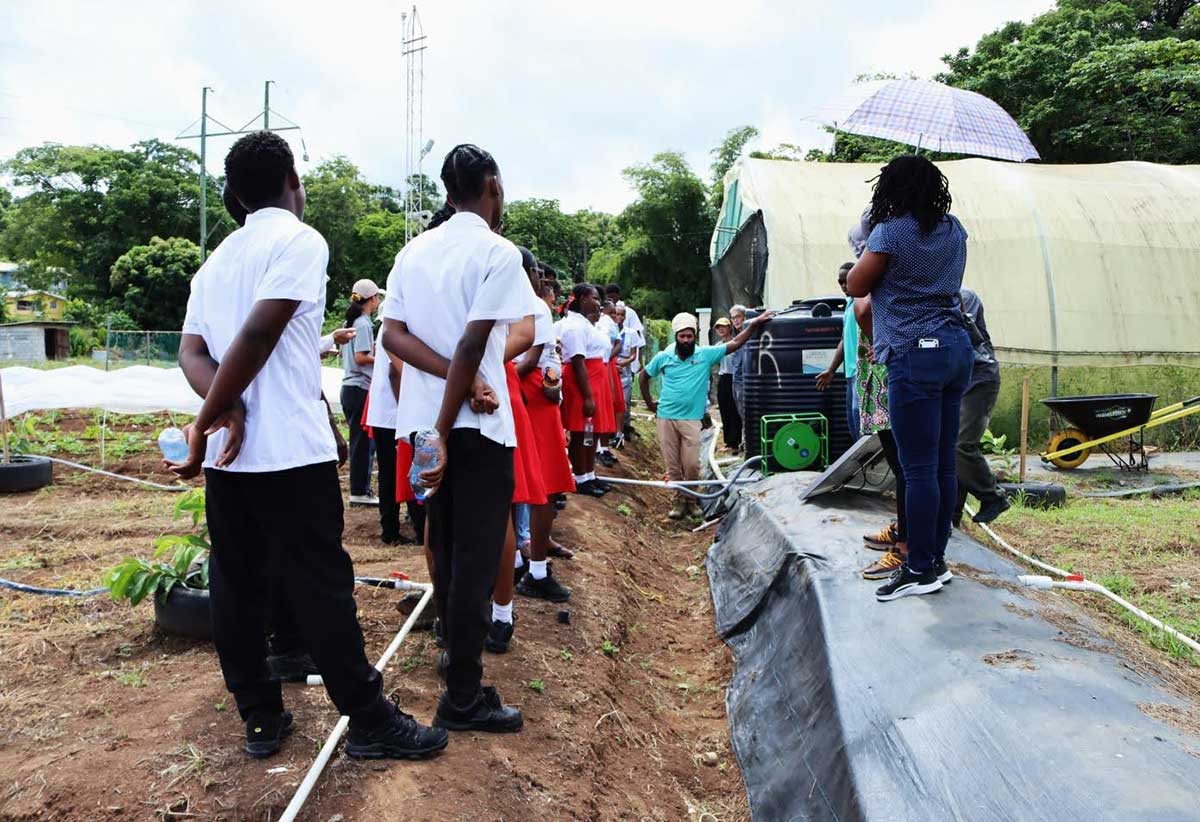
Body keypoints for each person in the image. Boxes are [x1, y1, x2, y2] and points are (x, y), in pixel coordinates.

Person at [170, 131, 445, 760]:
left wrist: (218, 411)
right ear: (292, 182)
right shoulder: (299, 239)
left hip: (230, 459)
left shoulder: (214, 263)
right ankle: (369, 720)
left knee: (237, 584)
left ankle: (261, 716)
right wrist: (218, 412)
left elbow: (192, 351)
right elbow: (261, 333)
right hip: (290, 452)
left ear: (236, 194)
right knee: (321, 583)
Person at [380, 143, 526, 733]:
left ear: (447, 190)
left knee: (441, 544)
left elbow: (393, 336)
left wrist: (438, 416)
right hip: (476, 432)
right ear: (491, 185)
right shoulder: (497, 252)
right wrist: (455, 409)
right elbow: (472, 346)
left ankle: (451, 654)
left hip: (423, 426)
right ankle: (462, 696)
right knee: (473, 557)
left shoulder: (412, 253)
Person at [846, 155, 974, 602]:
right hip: (956, 349)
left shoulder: (890, 231)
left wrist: (861, 261)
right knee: (941, 465)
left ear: (891, 189)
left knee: (917, 469)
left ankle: (918, 566)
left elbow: (856, 287)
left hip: (913, 355)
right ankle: (935, 560)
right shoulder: (954, 228)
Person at [640, 310, 773, 519]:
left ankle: (692, 500)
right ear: (676, 337)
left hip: (691, 419)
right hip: (666, 417)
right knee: (673, 465)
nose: (686, 340)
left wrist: (754, 323)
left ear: (694, 336)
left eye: (689, 336)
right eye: (682, 336)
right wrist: (649, 402)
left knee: (691, 464)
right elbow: (643, 376)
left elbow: (736, 343)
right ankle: (678, 502)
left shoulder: (704, 355)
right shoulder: (664, 356)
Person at [851, 295, 909, 581]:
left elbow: (862, 308)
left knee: (906, 470)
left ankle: (905, 547)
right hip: (889, 376)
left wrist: (882, 340)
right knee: (906, 469)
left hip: (891, 379)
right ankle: (904, 532)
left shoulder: (884, 271)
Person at [955, 288, 1009, 525]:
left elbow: (961, 331)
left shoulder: (964, 297)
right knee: (948, 450)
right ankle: (951, 516)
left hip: (979, 378)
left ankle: (993, 497)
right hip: (958, 379)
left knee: (960, 445)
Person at [559, 284, 608, 497]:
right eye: (594, 298)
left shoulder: (586, 324)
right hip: (583, 383)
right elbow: (578, 361)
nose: (598, 302)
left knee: (591, 431)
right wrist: (587, 396)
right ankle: (580, 478)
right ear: (581, 299)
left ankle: (589, 474)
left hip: (594, 381)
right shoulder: (574, 326)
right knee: (581, 432)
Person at [340, 279, 382, 505]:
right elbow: (361, 357)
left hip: (349, 387)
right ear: (372, 299)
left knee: (359, 439)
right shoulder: (364, 323)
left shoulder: (352, 321)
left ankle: (359, 489)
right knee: (363, 442)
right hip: (359, 387)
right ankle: (359, 490)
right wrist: (383, 360)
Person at [815, 262, 860, 442]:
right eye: (840, 282)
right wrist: (831, 370)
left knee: (859, 418)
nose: (843, 286)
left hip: (862, 371)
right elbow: (844, 339)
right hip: (850, 373)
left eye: (846, 281)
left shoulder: (865, 302)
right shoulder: (849, 304)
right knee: (852, 421)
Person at [713, 317, 743, 452]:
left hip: (734, 377)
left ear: (729, 327)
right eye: (718, 327)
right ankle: (728, 441)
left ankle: (735, 441)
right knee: (724, 409)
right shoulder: (717, 346)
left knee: (734, 409)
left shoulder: (736, 342)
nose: (721, 329)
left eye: (723, 326)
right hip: (723, 377)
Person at [615, 305, 641, 436]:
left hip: (624, 371)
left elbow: (633, 355)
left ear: (625, 316)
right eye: (616, 314)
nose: (618, 317)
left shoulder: (631, 333)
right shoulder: (607, 330)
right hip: (611, 369)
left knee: (623, 401)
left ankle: (622, 430)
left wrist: (623, 363)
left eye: (621, 315)